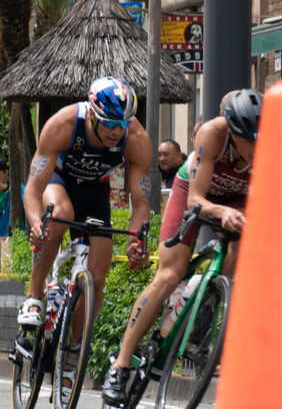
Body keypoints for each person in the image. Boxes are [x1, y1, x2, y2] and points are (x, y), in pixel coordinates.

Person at [102, 88, 260, 406]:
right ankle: (120, 364)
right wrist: (223, 212)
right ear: (232, 130)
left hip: (237, 198)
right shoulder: (213, 134)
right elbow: (196, 201)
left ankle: (205, 303)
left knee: (240, 248)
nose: (257, 149)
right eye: (249, 141)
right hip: (194, 190)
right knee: (169, 274)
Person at [18, 76, 152, 336]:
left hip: (94, 192)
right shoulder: (63, 124)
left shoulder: (136, 139)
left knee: (98, 275)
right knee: (60, 214)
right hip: (58, 181)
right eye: (110, 123)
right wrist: (37, 224)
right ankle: (33, 297)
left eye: (123, 124)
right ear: (92, 113)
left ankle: (74, 351)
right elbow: (33, 189)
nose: (116, 131)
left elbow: (141, 205)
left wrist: (136, 243)